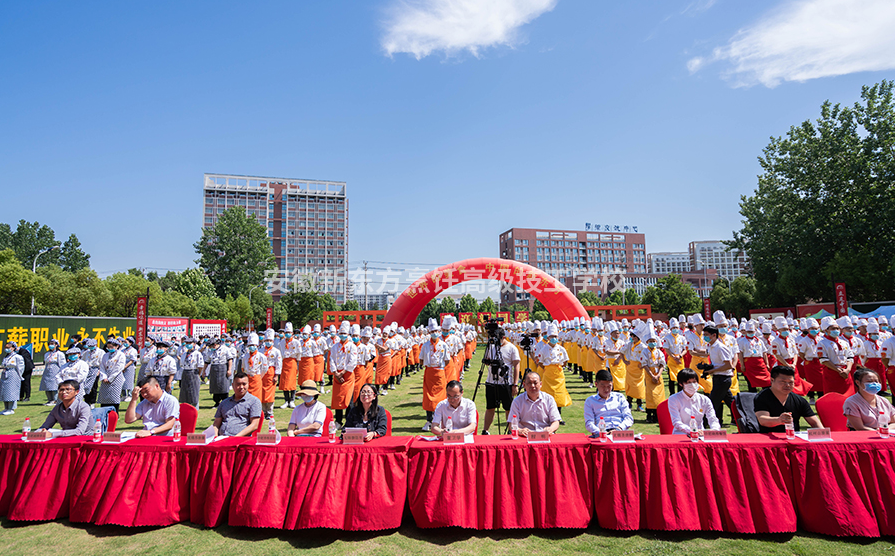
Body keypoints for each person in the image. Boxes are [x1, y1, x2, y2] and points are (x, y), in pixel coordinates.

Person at [753, 365, 823, 433]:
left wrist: (823, 435)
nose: (787, 385)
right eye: (783, 382)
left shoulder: (799, 400)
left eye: (791, 382)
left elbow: (815, 423)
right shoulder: (762, 397)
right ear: (772, 380)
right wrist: (779, 420)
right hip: (768, 440)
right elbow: (762, 420)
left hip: (794, 439)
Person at [481, 324, 521, 435]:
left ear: (503, 337)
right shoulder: (491, 346)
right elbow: (487, 360)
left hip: (506, 382)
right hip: (491, 381)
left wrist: (515, 384)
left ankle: (510, 430)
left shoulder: (511, 348)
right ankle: (485, 430)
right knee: (490, 407)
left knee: (508, 408)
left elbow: (516, 365)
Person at [700, 324, 736, 426]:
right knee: (731, 402)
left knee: (713, 401)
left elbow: (728, 365)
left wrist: (712, 370)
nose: (704, 337)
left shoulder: (720, 347)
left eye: (706, 335)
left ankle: (705, 422)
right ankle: (742, 416)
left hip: (723, 378)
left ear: (714, 335)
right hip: (718, 377)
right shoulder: (711, 346)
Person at [666, 369, 720, 435]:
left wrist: (714, 430)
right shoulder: (674, 399)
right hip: (681, 435)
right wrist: (692, 430)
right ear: (681, 384)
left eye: (694, 382)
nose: (692, 385)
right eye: (688, 382)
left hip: (701, 435)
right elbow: (676, 422)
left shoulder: (704, 399)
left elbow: (712, 418)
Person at [508, 371, 561, 437]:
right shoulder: (517, 401)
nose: (532, 386)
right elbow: (511, 424)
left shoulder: (549, 399)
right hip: (525, 436)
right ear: (524, 385)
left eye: (535, 383)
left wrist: (551, 429)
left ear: (541, 384)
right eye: (529, 383)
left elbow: (556, 421)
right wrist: (520, 430)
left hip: (545, 435)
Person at [420, 318, 450, 432]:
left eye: (436, 331)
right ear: (429, 332)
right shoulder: (425, 345)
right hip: (429, 372)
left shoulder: (443, 345)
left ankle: (440, 420)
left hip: (440, 372)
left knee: (441, 397)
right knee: (428, 397)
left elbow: (447, 360)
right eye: (432, 332)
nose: (434, 334)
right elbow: (421, 360)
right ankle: (429, 420)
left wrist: (439, 367)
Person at [842, 367, 895, 431]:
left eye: (876, 381)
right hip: (863, 437)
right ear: (858, 383)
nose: (874, 384)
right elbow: (859, 427)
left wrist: (884, 429)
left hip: (885, 434)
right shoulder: (851, 402)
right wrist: (878, 432)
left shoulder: (884, 401)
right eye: (869, 381)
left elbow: (893, 422)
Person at [537, 324, 571, 423]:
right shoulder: (543, 349)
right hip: (548, 374)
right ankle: (548, 417)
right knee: (548, 395)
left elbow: (565, 361)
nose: (554, 339)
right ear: (548, 337)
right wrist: (548, 369)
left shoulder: (561, 349)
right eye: (552, 337)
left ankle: (558, 418)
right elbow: (540, 362)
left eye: (555, 337)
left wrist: (559, 367)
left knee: (559, 395)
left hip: (559, 375)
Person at [584, 369, 634, 433]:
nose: (606, 389)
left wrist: (619, 429)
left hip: (619, 431)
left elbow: (628, 418)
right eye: (603, 386)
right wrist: (601, 432)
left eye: (609, 386)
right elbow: (589, 423)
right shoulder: (590, 401)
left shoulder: (620, 397)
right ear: (596, 384)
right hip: (601, 432)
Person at [212, 372, 262, 437]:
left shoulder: (254, 401)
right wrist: (215, 436)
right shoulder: (224, 402)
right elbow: (216, 424)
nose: (241, 387)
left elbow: (254, 425)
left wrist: (235, 437)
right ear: (233, 385)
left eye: (244, 384)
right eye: (238, 384)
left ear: (248, 385)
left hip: (241, 440)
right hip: (221, 438)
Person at [329, 321, 358, 425]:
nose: (342, 335)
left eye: (344, 334)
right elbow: (331, 359)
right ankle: (338, 421)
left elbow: (353, 361)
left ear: (348, 335)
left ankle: (349, 421)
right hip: (337, 374)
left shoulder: (352, 346)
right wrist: (336, 373)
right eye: (341, 333)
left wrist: (343, 372)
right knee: (337, 399)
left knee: (348, 399)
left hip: (348, 374)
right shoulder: (334, 346)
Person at [818, 316, 854, 395]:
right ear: (826, 330)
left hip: (845, 371)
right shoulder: (822, 343)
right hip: (831, 372)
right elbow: (824, 360)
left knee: (848, 395)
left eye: (837, 328)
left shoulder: (844, 342)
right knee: (833, 395)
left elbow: (850, 357)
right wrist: (838, 370)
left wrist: (848, 370)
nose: (836, 331)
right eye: (833, 329)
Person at [639, 327, 666, 424]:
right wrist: (651, 376)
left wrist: (658, 375)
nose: (652, 343)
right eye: (650, 341)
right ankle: (649, 415)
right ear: (647, 342)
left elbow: (662, 364)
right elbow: (644, 364)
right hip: (649, 373)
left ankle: (657, 415)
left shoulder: (659, 352)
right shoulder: (644, 352)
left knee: (659, 395)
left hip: (658, 373)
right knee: (650, 395)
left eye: (654, 341)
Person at [96, 338, 127, 412]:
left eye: (112, 347)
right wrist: (104, 377)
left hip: (116, 377)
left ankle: (115, 413)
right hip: (105, 377)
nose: (110, 349)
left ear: (117, 346)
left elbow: (118, 368)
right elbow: (102, 367)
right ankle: (103, 412)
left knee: (114, 397)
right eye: (108, 347)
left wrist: (110, 378)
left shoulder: (121, 355)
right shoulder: (105, 355)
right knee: (104, 396)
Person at [279, 322, 300, 409]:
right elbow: (280, 352)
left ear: (292, 333)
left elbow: (299, 353)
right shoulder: (282, 342)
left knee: (292, 382)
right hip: (284, 362)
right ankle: (286, 400)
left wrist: (297, 364)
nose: (288, 334)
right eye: (286, 332)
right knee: (284, 382)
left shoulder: (296, 342)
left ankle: (292, 400)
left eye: (289, 332)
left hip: (292, 362)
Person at [179, 337, 205, 407]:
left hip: (194, 372)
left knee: (194, 392)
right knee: (185, 392)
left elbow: (200, 366)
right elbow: (181, 364)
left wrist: (198, 374)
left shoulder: (197, 353)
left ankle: (195, 408)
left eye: (190, 343)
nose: (188, 345)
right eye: (186, 343)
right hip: (185, 372)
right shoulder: (184, 354)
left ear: (194, 344)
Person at [206, 338, 232, 408]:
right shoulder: (210, 351)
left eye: (210, 346)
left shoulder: (225, 349)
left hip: (223, 367)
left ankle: (225, 402)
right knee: (215, 386)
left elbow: (230, 359)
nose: (210, 348)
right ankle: (216, 402)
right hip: (214, 368)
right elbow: (207, 361)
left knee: (223, 386)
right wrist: (204, 371)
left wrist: (229, 369)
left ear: (214, 345)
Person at [40, 339, 66, 405]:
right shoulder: (47, 354)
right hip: (47, 370)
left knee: (54, 386)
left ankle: (55, 400)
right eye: (49, 344)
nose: (50, 346)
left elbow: (62, 363)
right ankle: (49, 399)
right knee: (46, 385)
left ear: (56, 345)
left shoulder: (59, 354)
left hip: (55, 370)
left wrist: (62, 372)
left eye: (52, 344)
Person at [1, 341, 25, 415]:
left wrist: (19, 375)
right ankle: (6, 408)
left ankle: (11, 408)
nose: (7, 349)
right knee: (4, 391)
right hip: (5, 374)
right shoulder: (6, 357)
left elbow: (20, 367)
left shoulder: (17, 357)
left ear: (13, 348)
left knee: (11, 391)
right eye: (6, 348)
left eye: (9, 348)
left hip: (13, 374)